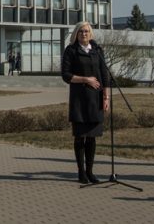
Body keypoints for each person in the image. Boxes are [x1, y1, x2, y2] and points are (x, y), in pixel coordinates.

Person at [61, 21, 110, 184]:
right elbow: (66, 75)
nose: (84, 34)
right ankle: (81, 172)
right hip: (80, 99)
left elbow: (104, 75)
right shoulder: (71, 50)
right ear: (76, 33)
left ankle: (90, 171)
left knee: (92, 138)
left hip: (95, 100)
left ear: (91, 34)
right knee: (80, 137)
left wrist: (106, 97)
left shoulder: (97, 50)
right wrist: (86, 79)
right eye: (81, 31)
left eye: (87, 31)